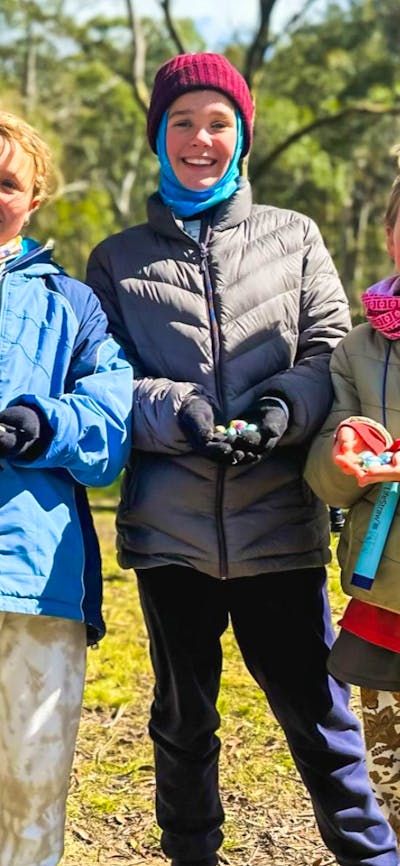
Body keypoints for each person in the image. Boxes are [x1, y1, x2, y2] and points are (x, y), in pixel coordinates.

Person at [86, 52, 399, 866]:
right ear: (158, 136)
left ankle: (371, 858)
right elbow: (108, 373)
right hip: (170, 536)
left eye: (218, 123)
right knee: (183, 721)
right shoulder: (118, 258)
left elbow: (330, 348)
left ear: (243, 136)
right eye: (181, 122)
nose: (200, 138)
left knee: (321, 720)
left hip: (278, 530)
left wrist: (275, 411)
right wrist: (181, 413)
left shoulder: (294, 237)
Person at [0, 111, 132, 866]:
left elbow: (109, 435)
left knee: (30, 788)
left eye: (7, 182)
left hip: (37, 585)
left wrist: (41, 422)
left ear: (35, 198)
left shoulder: (73, 306)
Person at [305, 163, 400, 842]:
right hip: (387, 601)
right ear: (392, 237)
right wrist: (346, 459)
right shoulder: (360, 352)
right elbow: (325, 477)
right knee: (392, 785)